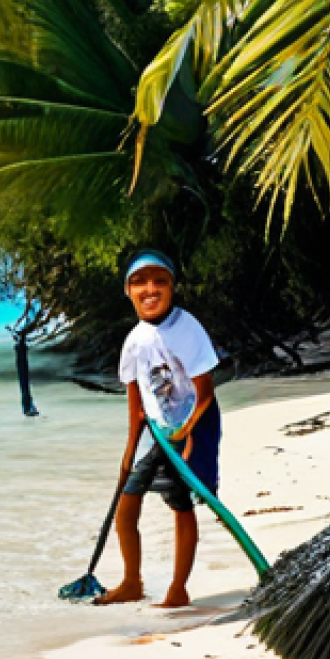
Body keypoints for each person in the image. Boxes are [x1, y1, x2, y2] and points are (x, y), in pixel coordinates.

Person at [94, 250, 221, 608]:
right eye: (139, 282)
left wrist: (190, 432)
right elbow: (137, 407)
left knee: (182, 506)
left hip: (193, 429)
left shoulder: (186, 328)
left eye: (159, 281)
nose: (150, 289)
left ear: (172, 287)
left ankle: (178, 589)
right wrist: (128, 451)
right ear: (127, 291)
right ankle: (131, 581)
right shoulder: (134, 341)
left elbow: (206, 392)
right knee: (127, 505)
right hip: (158, 434)